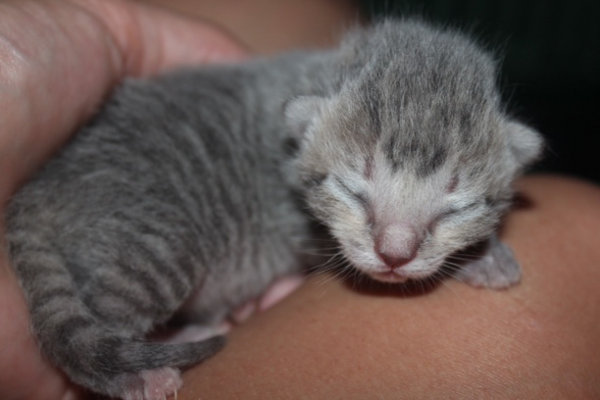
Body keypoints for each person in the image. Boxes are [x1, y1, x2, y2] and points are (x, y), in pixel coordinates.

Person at [1, 1, 598, 399]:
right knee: (166, 238)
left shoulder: (341, 129)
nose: (395, 249)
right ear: (307, 128)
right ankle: (105, 343)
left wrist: (474, 245)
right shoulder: (306, 114)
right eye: (356, 195)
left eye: (453, 209)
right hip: (132, 183)